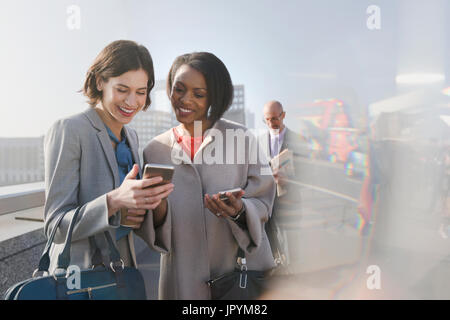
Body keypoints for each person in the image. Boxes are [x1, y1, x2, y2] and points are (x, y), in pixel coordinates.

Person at [137, 52, 276, 299]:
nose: (185, 100)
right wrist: (156, 207)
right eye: (179, 89)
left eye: (198, 94)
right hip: (183, 281)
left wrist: (240, 210)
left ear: (214, 97)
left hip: (239, 279)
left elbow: (264, 200)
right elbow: (153, 230)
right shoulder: (154, 150)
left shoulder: (243, 139)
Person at [44, 40, 174, 275]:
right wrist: (114, 200)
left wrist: (149, 204)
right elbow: (56, 225)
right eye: (122, 90)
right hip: (79, 275)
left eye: (141, 92)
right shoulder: (69, 130)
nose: (131, 102)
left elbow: (124, 218)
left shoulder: (131, 137)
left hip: (123, 269)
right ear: (99, 81)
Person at [260, 100, 309, 273]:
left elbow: (308, 174)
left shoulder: (298, 140)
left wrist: (290, 180)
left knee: (292, 250)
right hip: (268, 204)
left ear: (283, 115)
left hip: (290, 203)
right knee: (274, 248)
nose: (271, 123)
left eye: (275, 118)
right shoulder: (259, 141)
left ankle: (294, 282)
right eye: (267, 120)